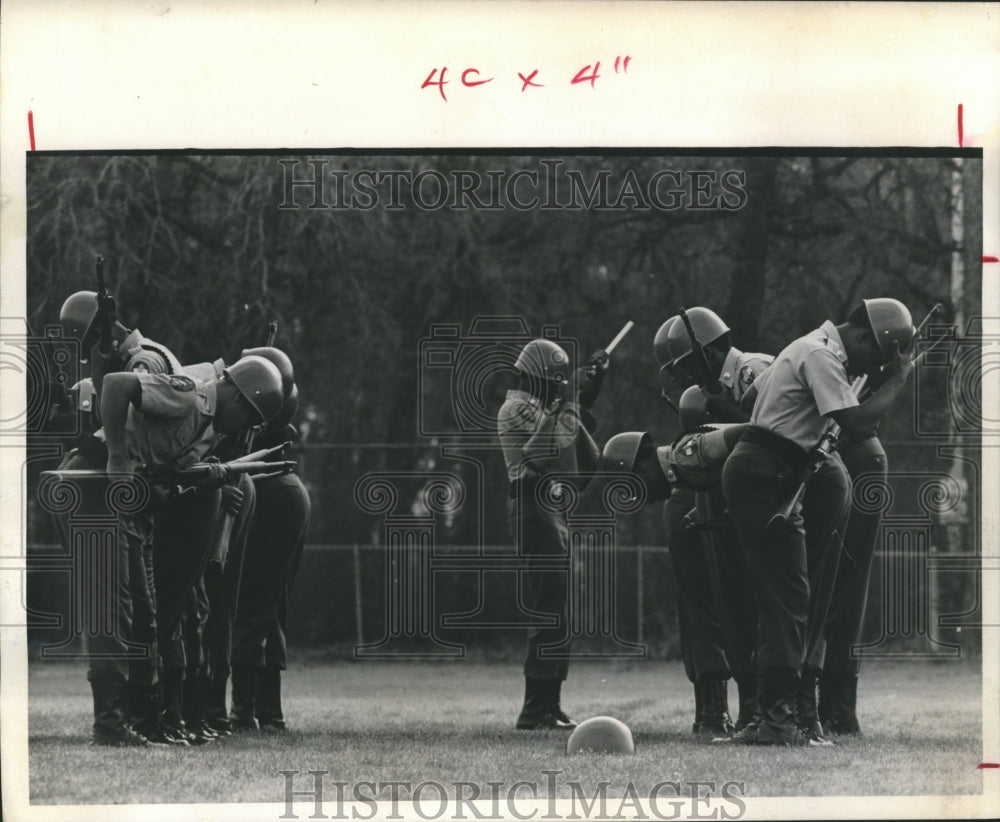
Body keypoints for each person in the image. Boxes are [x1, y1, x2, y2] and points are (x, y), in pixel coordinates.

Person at [720, 298, 915, 746]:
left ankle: (776, 715)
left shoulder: (809, 347)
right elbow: (857, 423)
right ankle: (775, 720)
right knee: (788, 597)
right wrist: (899, 379)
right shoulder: (822, 356)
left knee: (787, 596)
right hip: (764, 472)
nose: (874, 367)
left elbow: (757, 397)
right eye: (878, 358)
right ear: (864, 338)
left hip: (768, 469)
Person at [92, 355, 284, 746]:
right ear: (237, 397)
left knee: (145, 614)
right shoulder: (191, 397)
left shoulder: (208, 431)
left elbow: (166, 477)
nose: (245, 428)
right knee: (120, 609)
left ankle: (142, 722)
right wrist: (116, 456)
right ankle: (110, 725)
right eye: (248, 417)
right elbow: (115, 384)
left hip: (138, 505)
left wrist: (205, 478)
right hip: (103, 487)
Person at [53, 291, 186, 745]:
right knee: (115, 610)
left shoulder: (142, 362)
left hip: (117, 496)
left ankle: (131, 718)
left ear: (101, 334)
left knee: (125, 612)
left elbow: (127, 431)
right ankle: (116, 721)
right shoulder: (149, 355)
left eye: (90, 342)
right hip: (105, 497)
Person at [655, 310, 772, 735]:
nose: (681, 376)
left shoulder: (754, 370)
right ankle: (711, 710)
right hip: (706, 491)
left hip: (752, 498)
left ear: (708, 350)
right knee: (700, 601)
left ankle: (760, 707)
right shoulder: (702, 387)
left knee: (749, 603)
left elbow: (774, 434)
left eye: (685, 364)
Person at [497, 338, 605, 730]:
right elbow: (551, 445)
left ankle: (550, 703)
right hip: (532, 505)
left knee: (558, 608)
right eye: (556, 380)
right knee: (547, 607)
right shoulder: (515, 409)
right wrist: (573, 396)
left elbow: (573, 434)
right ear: (538, 376)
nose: (560, 386)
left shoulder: (541, 407)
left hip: (549, 507)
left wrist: (587, 393)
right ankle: (535, 707)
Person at [228, 386, 311, 730]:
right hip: (282, 491)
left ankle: (247, 711)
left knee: (255, 602)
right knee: (268, 604)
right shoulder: (275, 406)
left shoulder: (259, 415)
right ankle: (266, 711)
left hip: (272, 491)